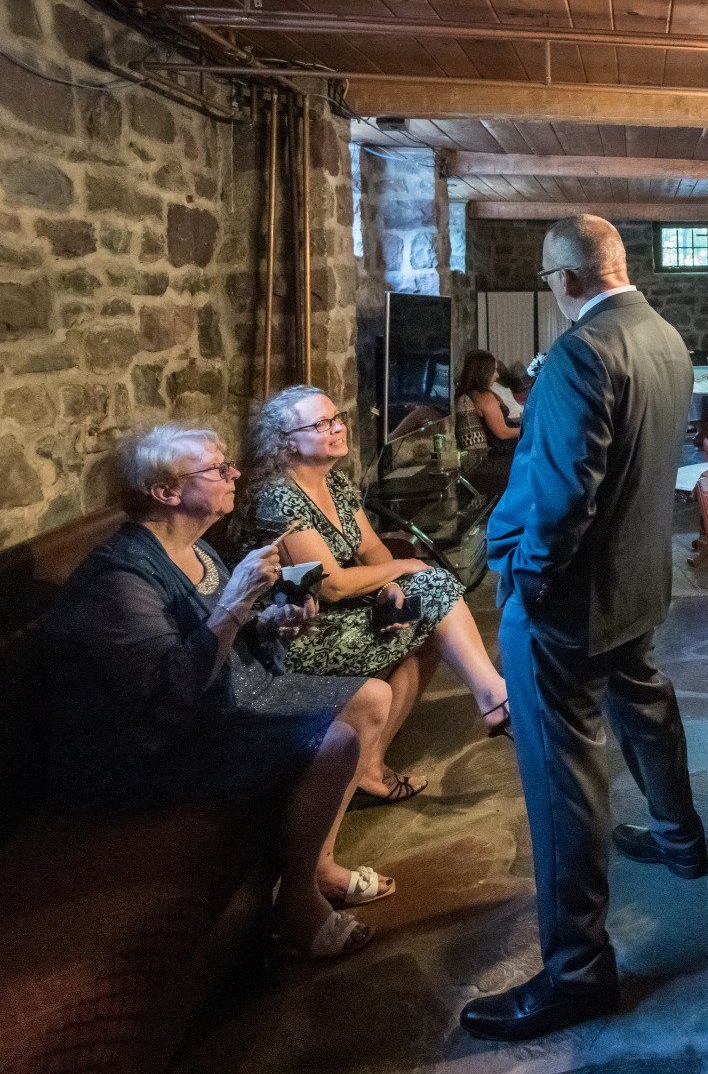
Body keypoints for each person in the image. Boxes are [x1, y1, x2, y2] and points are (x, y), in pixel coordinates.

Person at [469, 215, 702, 1042]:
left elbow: (567, 495)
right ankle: (681, 838)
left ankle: (577, 970)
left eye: (545, 277)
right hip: (637, 583)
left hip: (568, 601)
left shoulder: (579, 352)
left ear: (567, 278)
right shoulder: (664, 334)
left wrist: (528, 580)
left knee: (562, 776)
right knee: (644, 700)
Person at [38, 424, 395, 959]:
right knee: (339, 740)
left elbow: (231, 634)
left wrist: (273, 621)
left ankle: (318, 865)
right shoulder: (123, 579)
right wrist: (234, 605)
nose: (235, 475)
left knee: (371, 698)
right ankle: (297, 904)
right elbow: (167, 698)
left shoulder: (197, 549)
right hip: (152, 750)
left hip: (221, 697)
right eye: (216, 469)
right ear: (166, 492)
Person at [245, 386, 511, 808]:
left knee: (426, 610)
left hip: (344, 609)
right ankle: (494, 696)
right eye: (321, 424)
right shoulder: (278, 497)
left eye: (336, 418)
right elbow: (330, 585)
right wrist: (404, 570)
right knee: (433, 589)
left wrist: (390, 585)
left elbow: (372, 549)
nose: (337, 428)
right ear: (287, 442)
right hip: (299, 632)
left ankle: (372, 763)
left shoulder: (333, 483)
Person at [456, 349, 521, 498]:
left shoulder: (472, 393)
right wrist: (527, 429)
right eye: (494, 370)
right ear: (483, 372)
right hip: (500, 450)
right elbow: (502, 433)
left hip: (500, 446)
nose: (497, 375)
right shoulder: (485, 397)